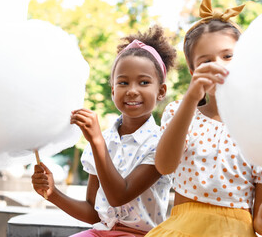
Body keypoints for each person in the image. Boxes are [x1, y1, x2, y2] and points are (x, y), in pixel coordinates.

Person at [145, 0, 262, 237]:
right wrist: (191, 99)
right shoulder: (180, 113)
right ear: (193, 72)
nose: (218, 66)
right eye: (206, 61)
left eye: (228, 56)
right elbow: (164, 165)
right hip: (181, 228)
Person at [32, 25, 177, 237]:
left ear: (161, 91)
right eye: (123, 82)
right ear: (113, 91)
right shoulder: (103, 139)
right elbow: (93, 213)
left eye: (144, 82)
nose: (132, 90)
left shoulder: (162, 144)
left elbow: (120, 195)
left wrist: (97, 141)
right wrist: (52, 193)